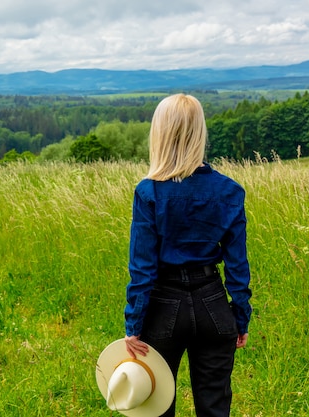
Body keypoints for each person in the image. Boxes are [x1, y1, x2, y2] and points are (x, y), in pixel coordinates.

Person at [123, 94, 252, 417]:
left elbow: (142, 269)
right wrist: (240, 317)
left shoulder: (148, 192)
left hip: (163, 308)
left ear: (160, 133)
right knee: (215, 406)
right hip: (213, 304)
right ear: (200, 132)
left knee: (156, 407)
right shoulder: (229, 190)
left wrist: (133, 326)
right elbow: (237, 265)